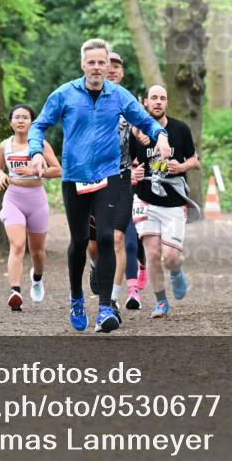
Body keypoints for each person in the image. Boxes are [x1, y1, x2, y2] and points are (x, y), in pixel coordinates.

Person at [28, 39, 170, 333]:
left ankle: (106, 307)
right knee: (80, 242)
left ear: (108, 67)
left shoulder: (119, 95)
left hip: (109, 176)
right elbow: (39, 125)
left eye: (101, 63)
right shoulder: (65, 94)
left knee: (106, 236)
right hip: (75, 176)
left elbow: (145, 120)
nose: (96, 67)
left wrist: (161, 136)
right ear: (83, 65)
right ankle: (77, 298)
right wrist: (36, 151)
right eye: (91, 62)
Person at [129, 84, 201, 319]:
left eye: (162, 98)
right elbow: (129, 164)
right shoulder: (137, 132)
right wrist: (134, 173)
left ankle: (176, 271)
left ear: (167, 103)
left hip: (173, 203)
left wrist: (181, 166)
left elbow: (195, 160)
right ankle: (160, 302)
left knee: (170, 257)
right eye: (154, 98)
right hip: (145, 200)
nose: (158, 102)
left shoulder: (180, 129)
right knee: (151, 253)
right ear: (146, 102)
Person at [86, 52, 146, 311]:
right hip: (91, 179)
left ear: (121, 72)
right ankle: (96, 265)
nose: (111, 69)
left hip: (122, 180)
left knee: (119, 239)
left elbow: (141, 134)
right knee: (94, 243)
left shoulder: (129, 103)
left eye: (116, 66)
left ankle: (111, 297)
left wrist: (140, 154)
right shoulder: (86, 98)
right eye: (106, 64)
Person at [0, 104, 62, 311]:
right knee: (18, 245)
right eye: (17, 117)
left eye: (25, 117)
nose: (21, 121)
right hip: (13, 198)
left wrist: (36, 169)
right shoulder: (5, 145)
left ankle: (37, 279)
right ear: (11, 122)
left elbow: (58, 170)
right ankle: (15, 292)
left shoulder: (40, 144)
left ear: (32, 122)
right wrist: (2, 175)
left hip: (36, 200)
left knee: (37, 252)